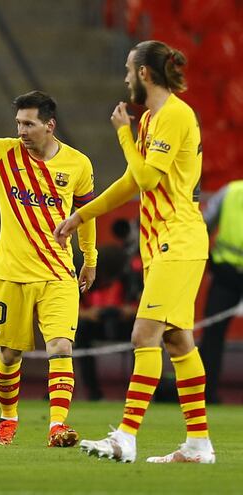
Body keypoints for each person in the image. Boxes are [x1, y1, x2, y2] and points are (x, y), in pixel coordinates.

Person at [54, 40, 216, 463]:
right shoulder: (150, 121)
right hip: (162, 243)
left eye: (128, 69)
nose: (125, 76)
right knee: (179, 341)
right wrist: (80, 215)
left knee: (144, 335)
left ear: (144, 73)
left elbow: (145, 178)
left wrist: (123, 134)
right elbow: (130, 182)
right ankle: (198, 445)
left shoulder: (174, 115)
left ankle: (125, 436)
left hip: (179, 240)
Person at [0, 79, 97, 447]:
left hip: (58, 273)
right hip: (10, 273)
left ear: (49, 125)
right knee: (9, 355)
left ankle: (57, 426)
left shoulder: (77, 164)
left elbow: (87, 214)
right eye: (18, 124)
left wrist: (89, 260)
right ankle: (8, 418)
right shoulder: (2, 153)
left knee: (61, 347)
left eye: (28, 124)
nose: (21, 131)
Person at [75, 224, 140, 400]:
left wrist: (129, 310)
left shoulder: (130, 276)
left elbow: (146, 306)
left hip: (124, 323)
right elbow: (67, 308)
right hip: (95, 323)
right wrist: (87, 314)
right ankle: (93, 392)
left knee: (144, 335)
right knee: (80, 330)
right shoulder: (84, 276)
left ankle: (139, 393)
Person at [199, 180, 243, 404]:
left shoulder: (229, 191)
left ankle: (207, 392)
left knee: (212, 335)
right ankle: (206, 393)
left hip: (225, 272)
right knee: (212, 334)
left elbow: (204, 223)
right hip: (226, 275)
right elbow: (202, 225)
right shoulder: (230, 192)